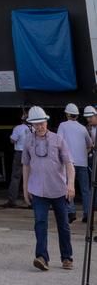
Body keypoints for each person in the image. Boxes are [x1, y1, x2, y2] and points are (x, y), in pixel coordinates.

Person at [22, 104, 75, 271]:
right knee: (40, 223)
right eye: (36, 124)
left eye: (42, 122)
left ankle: (67, 257)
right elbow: (26, 165)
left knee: (63, 224)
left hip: (59, 189)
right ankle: (42, 257)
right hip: (38, 190)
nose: (39, 126)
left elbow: (69, 163)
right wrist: (25, 188)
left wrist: (71, 184)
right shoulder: (28, 140)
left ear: (46, 121)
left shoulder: (58, 139)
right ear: (31, 124)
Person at [57, 103, 92, 222]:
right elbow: (90, 144)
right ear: (77, 115)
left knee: (68, 187)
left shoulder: (62, 125)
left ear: (67, 114)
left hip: (68, 163)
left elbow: (59, 142)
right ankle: (87, 214)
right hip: (82, 162)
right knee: (85, 190)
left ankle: (71, 212)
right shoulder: (82, 128)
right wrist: (84, 154)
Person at [7, 108, 30, 208]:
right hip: (30, 154)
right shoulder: (33, 129)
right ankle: (31, 201)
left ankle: (12, 200)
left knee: (16, 177)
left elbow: (13, 140)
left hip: (19, 153)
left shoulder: (18, 128)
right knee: (30, 178)